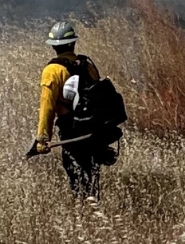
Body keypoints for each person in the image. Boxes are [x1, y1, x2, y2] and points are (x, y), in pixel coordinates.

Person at [28, 20, 119, 198]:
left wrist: (42, 140)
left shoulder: (52, 71)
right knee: (92, 177)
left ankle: (86, 215)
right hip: (94, 131)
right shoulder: (87, 64)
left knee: (78, 179)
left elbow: (47, 107)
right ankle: (94, 211)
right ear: (73, 43)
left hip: (71, 133)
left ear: (54, 46)